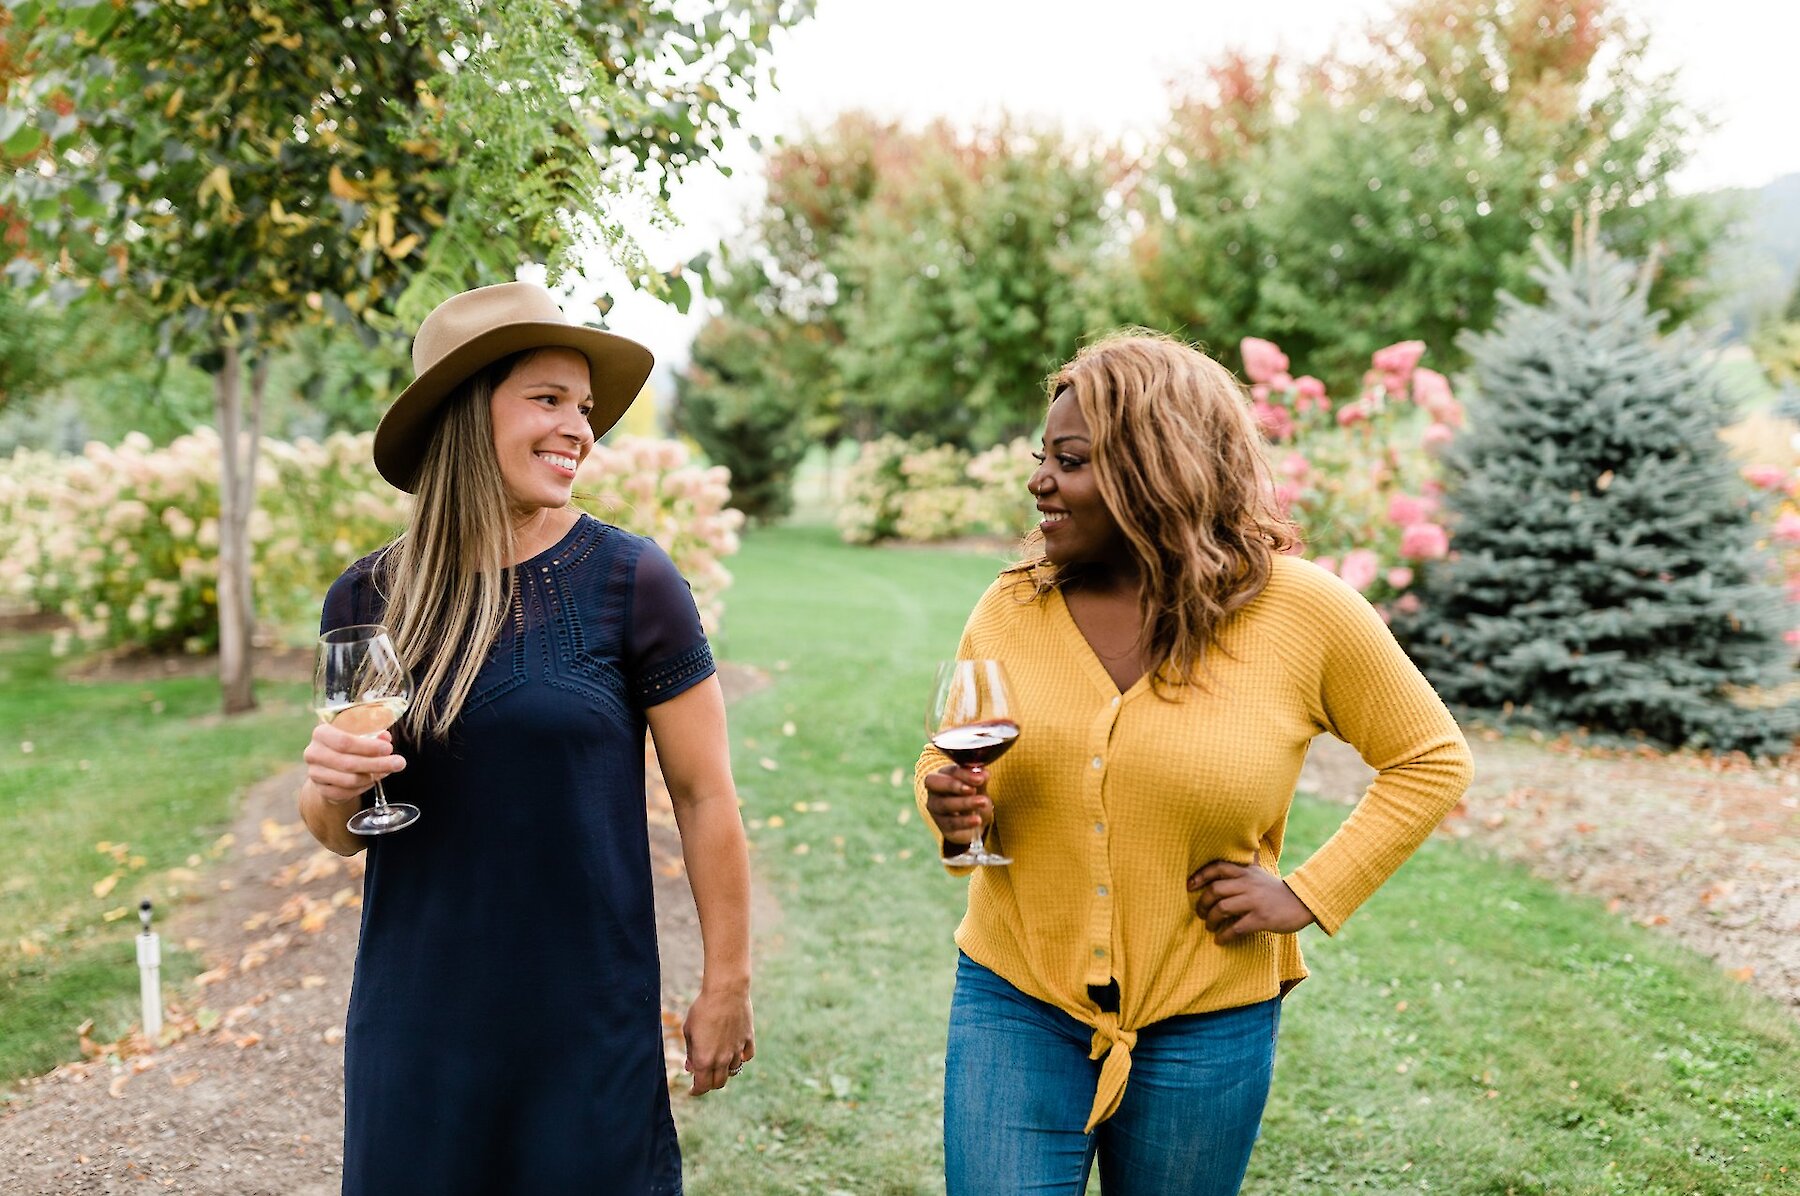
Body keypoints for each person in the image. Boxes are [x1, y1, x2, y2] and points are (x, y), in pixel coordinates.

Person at [916, 331, 1474, 1196]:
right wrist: (947, 802)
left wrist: (1305, 895)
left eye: (1069, 460)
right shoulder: (1013, 604)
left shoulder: (1303, 612)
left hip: (1207, 1025)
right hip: (1014, 1001)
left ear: (1154, 469)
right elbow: (947, 751)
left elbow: (1430, 760)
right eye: (1043, 456)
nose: (1039, 482)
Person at [298, 282, 753, 1196]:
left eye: (583, 409)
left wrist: (728, 980)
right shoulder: (367, 597)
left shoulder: (634, 580)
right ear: (468, 415)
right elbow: (340, 825)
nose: (580, 430)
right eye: (548, 400)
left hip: (585, 1027)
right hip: (417, 1026)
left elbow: (705, 797)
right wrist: (330, 785)